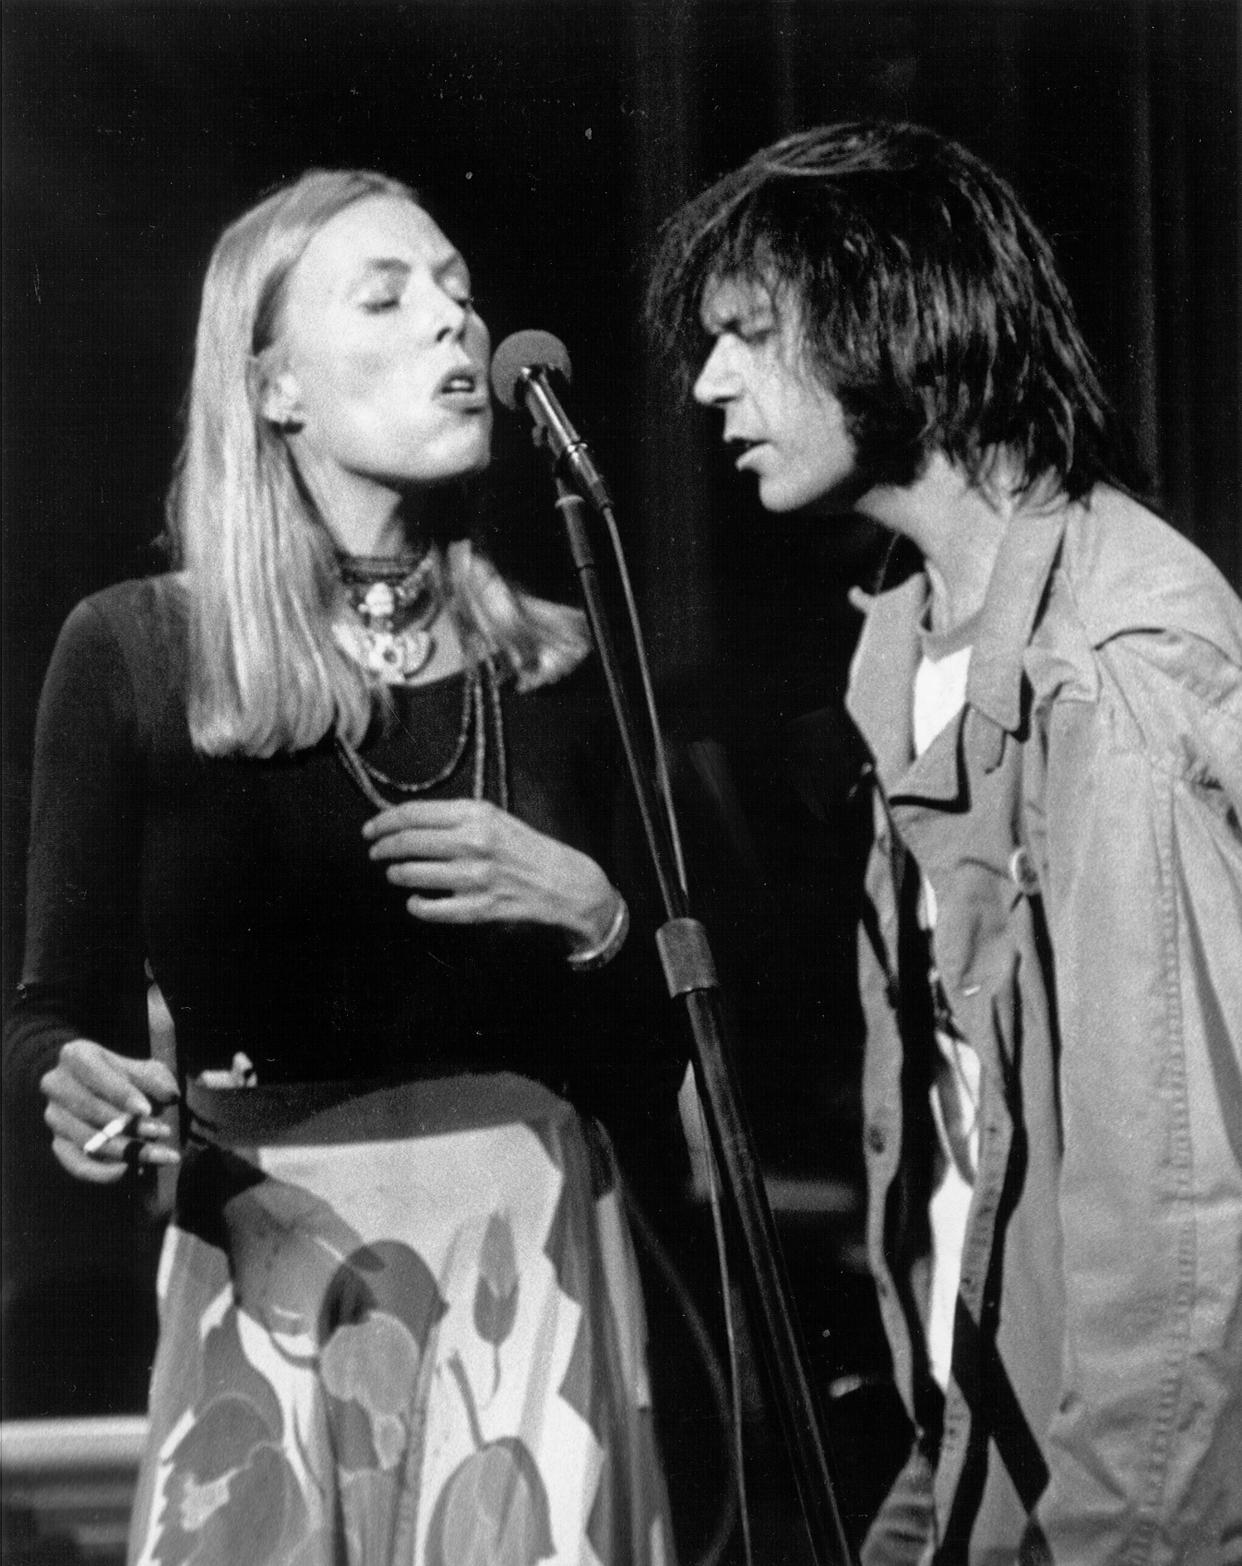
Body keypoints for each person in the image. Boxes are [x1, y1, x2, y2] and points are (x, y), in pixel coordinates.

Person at [5, 168, 685, 1564]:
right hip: (271, 1249)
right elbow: (46, 1013)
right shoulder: (137, 653)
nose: (454, 325)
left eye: (457, 291)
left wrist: (597, 913)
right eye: (387, 296)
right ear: (273, 390)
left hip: (529, 1254)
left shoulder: (557, 659)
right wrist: (74, 1086)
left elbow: (679, 1064)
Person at [647, 121, 1242, 1563]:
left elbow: (1169, 1208)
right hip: (979, 1436)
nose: (709, 381)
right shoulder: (907, 642)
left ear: (892, 320)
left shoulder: (1107, 667)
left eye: (749, 332)